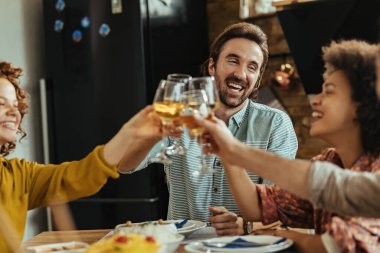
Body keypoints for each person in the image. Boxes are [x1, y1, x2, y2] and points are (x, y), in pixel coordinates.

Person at [198, 40, 380, 252]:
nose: (314, 101)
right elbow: (257, 206)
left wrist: (281, 235)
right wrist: (227, 154)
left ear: (363, 106)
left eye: (328, 92)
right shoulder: (332, 160)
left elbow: (348, 244)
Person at [121, 22, 298, 236]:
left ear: (258, 78)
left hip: (244, 248)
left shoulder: (276, 125)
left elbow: (281, 210)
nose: (241, 74)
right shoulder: (180, 115)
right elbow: (124, 165)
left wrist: (245, 225)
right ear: (212, 67)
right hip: (182, 246)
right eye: (233, 60)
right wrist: (150, 135)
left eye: (252, 67)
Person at [0, 61, 166, 252]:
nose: (14, 112)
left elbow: (79, 176)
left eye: (15, 105)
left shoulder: (17, 175)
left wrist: (129, 134)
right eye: (1, 104)